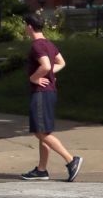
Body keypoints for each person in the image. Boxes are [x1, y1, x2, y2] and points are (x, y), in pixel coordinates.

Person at [20, 14, 83, 182]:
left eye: (25, 25)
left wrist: (34, 78)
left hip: (41, 93)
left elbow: (46, 65)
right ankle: (41, 170)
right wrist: (49, 74)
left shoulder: (36, 46)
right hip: (50, 92)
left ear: (30, 27)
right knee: (44, 131)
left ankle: (71, 160)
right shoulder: (49, 44)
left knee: (40, 132)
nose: (25, 28)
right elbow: (61, 62)